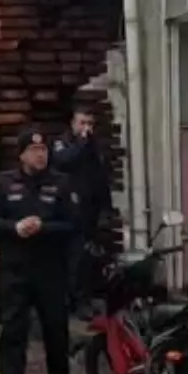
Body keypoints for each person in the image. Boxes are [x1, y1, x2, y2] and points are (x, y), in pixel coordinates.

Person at [0, 128, 76, 374]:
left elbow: (73, 225)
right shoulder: (5, 183)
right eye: (35, 151)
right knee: (13, 330)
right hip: (16, 270)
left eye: (44, 151)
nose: (41, 155)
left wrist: (43, 228)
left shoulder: (61, 183)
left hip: (50, 271)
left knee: (56, 332)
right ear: (22, 154)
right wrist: (15, 227)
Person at [50, 105, 112, 319]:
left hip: (90, 209)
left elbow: (101, 176)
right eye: (82, 123)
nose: (86, 128)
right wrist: (84, 143)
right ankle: (70, 301)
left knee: (87, 257)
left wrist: (106, 208)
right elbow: (64, 160)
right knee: (72, 257)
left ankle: (84, 298)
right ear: (73, 123)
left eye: (90, 124)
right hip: (68, 209)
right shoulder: (63, 143)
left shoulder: (94, 146)